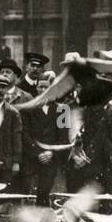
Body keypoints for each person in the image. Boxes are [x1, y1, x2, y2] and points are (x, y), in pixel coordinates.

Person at [23, 69, 68, 204]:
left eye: (46, 87)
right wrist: (38, 153)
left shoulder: (62, 110)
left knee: (46, 194)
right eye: (40, 87)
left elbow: (64, 137)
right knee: (30, 196)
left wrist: (51, 152)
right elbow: (24, 133)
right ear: (36, 88)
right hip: (32, 159)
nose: (43, 90)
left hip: (51, 160)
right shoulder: (27, 109)